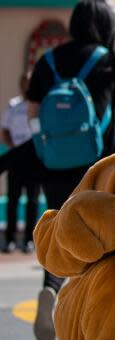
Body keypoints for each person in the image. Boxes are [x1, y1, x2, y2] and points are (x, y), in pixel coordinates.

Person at [26, 0, 115, 340]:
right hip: (98, 166)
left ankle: (50, 287)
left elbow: (32, 111)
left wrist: (46, 149)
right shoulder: (107, 60)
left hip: (55, 164)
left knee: (60, 231)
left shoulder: (48, 60)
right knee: (99, 240)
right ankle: (90, 317)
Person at [1, 73, 39, 254]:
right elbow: (5, 130)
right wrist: (13, 149)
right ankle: (9, 239)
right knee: (13, 200)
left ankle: (29, 240)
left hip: (33, 160)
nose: (27, 86)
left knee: (32, 200)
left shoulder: (39, 105)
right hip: (16, 158)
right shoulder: (13, 105)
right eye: (25, 82)